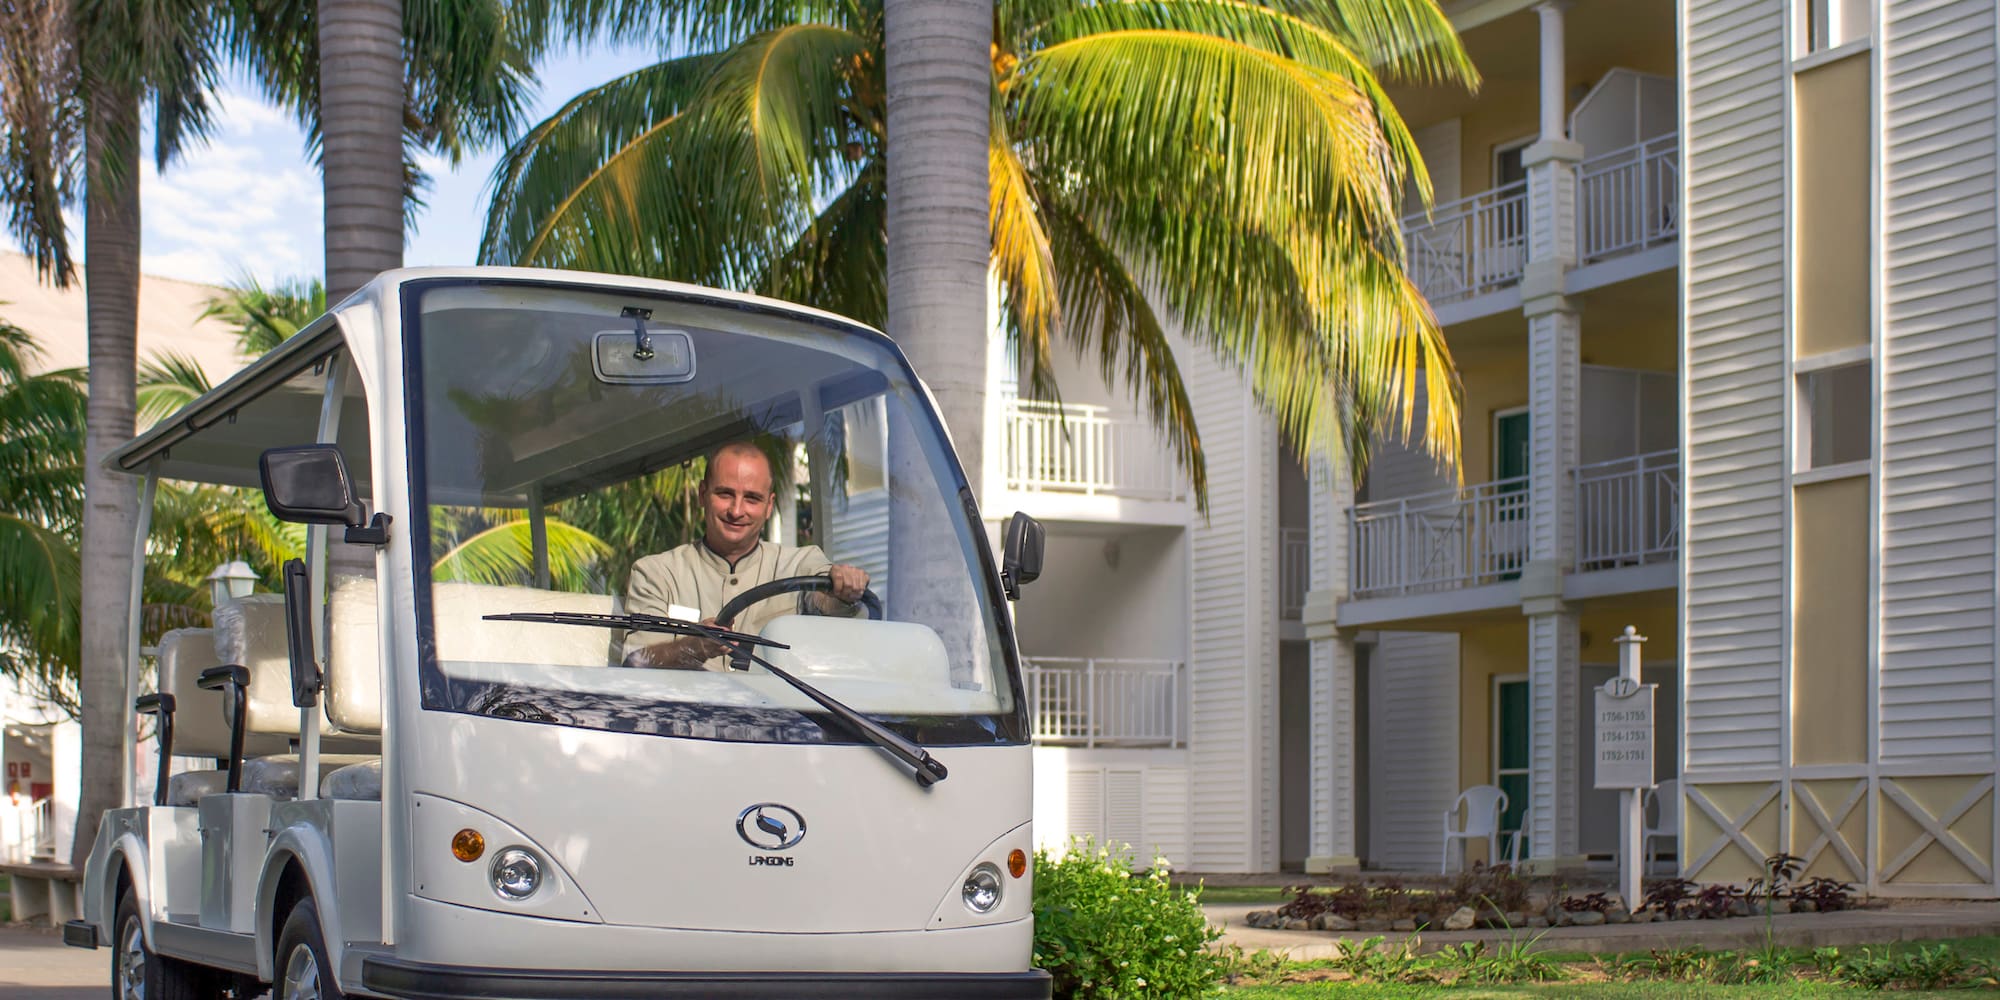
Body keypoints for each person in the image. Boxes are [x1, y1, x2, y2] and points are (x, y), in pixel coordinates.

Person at [622, 441, 869, 669]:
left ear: (769, 506)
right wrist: (696, 646)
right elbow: (638, 661)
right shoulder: (656, 572)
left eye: (752, 498)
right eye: (725, 494)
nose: (737, 510)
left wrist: (843, 590)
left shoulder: (800, 564)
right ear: (702, 495)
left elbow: (825, 601)